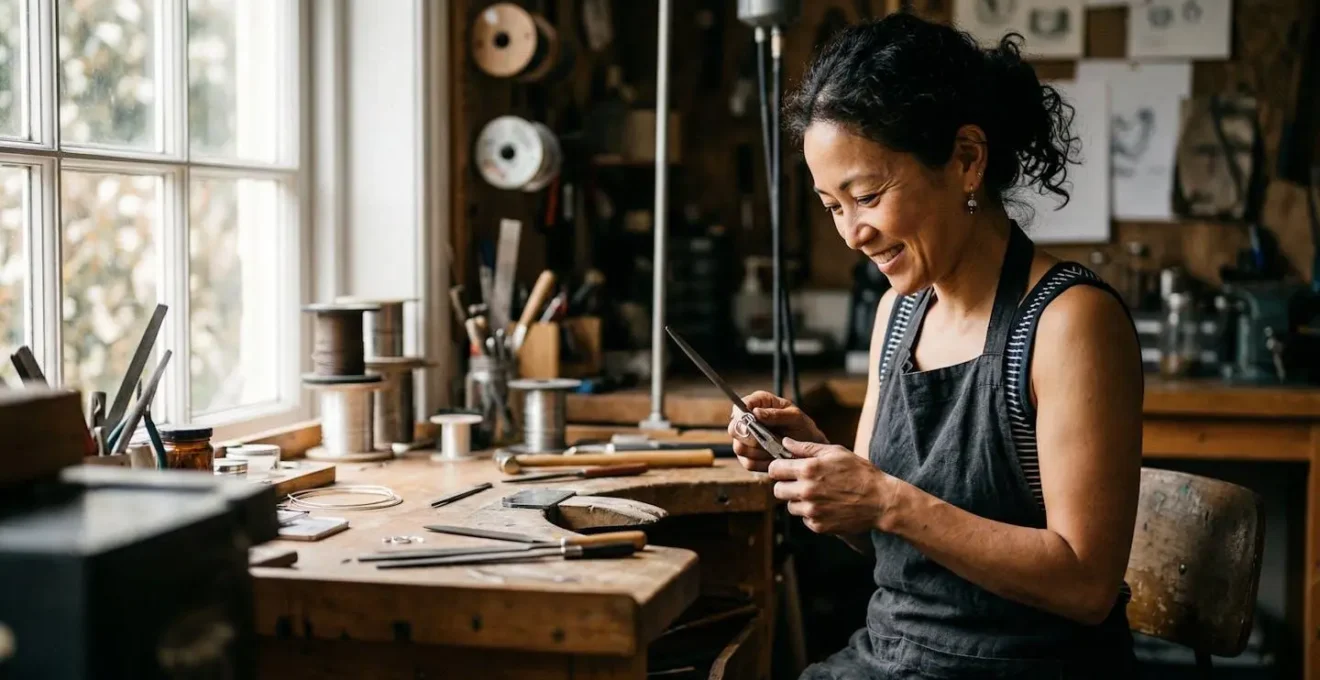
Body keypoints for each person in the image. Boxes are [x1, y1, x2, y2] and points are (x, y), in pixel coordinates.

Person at [728, 13, 1144, 679]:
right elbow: (881, 534)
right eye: (833, 206)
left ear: (967, 160)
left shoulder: (1070, 323)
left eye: (867, 195)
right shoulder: (899, 313)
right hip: (891, 660)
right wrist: (816, 464)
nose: (852, 234)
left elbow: (1086, 584)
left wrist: (886, 498)